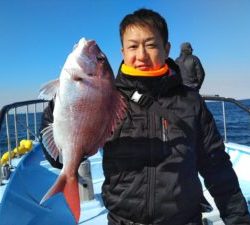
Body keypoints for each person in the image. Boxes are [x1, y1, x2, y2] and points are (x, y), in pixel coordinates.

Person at [40, 8, 250, 225]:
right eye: (132, 46)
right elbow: (55, 160)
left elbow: (216, 166)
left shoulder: (191, 102)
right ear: (122, 51)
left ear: (167, 48)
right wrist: (62, 101)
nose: (141, 55)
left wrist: (239, 219)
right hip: (122, 220)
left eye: (150, 45)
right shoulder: (109, 98)